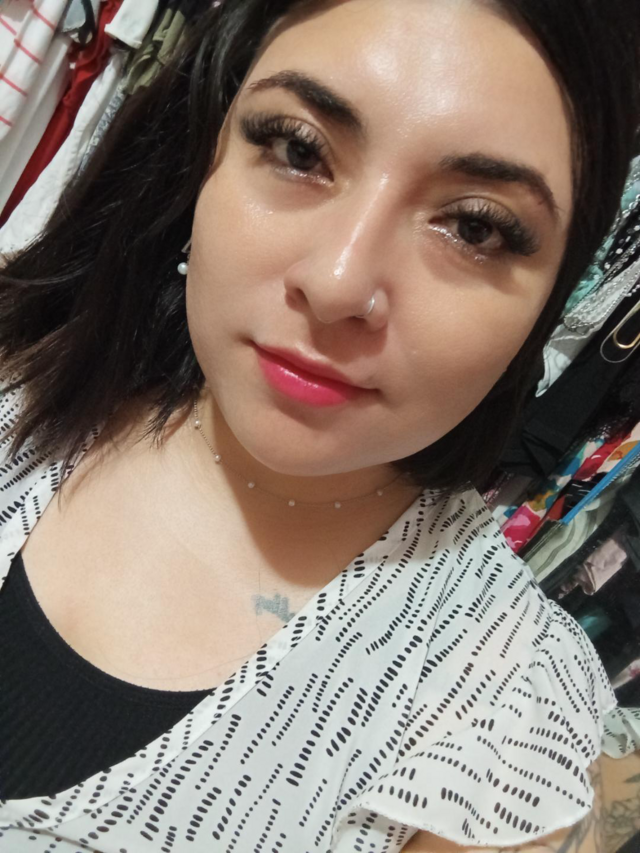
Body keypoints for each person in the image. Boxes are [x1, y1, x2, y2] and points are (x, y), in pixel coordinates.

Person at [0, 0, 638, 850]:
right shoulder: (21, 374)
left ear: (550, 300)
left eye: (475, 225)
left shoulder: (498, 719)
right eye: (299, 150)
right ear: (207, 148)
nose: (339, 282)